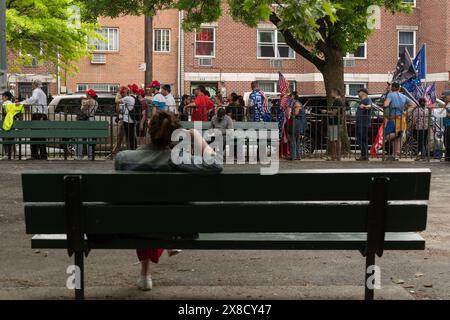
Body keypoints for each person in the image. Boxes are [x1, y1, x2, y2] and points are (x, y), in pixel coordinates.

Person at [115, 111, 222, 290]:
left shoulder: (123, 159)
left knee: (142, 210)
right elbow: (216, 164)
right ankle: (161, 255)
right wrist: (196, 136)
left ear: (149, 130)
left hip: (133, 226)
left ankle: (145, 275)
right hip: (172, 227)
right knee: (161, 212)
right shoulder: (177, 159)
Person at [383, 82, 416, 160]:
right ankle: (395, 155)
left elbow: (386, 104)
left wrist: (386, 102)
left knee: (387, 136)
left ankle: (398, 135)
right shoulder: (403, 96)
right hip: (402, 118)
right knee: (396, 139)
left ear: (393, 87)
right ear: (399, 88)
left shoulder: (390, 95)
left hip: (393, 118)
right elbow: (413, 104)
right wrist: (406, 112)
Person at [19, 80, 48, 160]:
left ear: (35, 84)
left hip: (38, 115)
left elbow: (33, 99)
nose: (32, 86)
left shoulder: (36, 91)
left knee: (34, 136)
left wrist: (22, 103)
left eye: (32, 84)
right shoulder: (42, 92)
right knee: (42, 136)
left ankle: (35, 155)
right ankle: (43, 155)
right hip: (43, 115)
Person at [322, 88, 344, 161]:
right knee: (335, 139)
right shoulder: (338, 101)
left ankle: (335, 156)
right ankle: (336, 156)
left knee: (334, 140)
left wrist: (325, 111)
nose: (331, 94)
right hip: (336, 122)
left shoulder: (337, 101)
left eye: (331, 92)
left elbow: (334, 113)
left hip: (335, 123)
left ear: (335, 93)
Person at [76, 89, 99, 160]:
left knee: (80, 138)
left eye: (87, 94)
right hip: (92, 119)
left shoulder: (89, 101)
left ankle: (80, 156)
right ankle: (90, 156)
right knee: (90, 139)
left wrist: (82, 101)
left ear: (89, 95)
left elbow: (82, 109)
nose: (86, 95)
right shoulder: (96, 102)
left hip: (86, 120)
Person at [1, 91, 23, 159]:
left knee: (5, 138)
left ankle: (7, 153)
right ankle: (14, 152)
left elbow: (3, 112)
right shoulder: (12, 104)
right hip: (12, 123)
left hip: (6, 123)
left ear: (6, 97)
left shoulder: (5, 103)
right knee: (12, 138)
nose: (2, 98)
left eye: (3, 96)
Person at [356, 88, 373, 161]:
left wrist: (365, 106)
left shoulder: (367, 99)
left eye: (359, 92)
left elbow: (370, 106)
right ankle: (363, 155)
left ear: (363, 93)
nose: (358, 93)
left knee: (363, 139)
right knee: (360, 139)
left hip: (364, 123)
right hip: (360, 123)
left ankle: (365, 156)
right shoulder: (361, 101)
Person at [441, 90, 450, 162]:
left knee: (447, 141)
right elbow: (441, 112)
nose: (444, 99)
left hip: (449, 125)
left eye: (446, 97)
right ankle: (447, 156)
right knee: (446, 141)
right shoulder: (446, 104)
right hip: (446, 125)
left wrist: (446, 113)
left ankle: (448, 157)